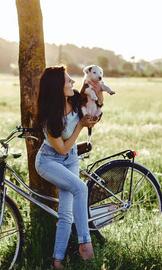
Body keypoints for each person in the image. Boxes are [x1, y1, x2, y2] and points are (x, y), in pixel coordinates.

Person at [35, 65, 104, 269]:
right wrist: (81, 125)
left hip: (71, 159)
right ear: (57, 87)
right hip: (50, 161)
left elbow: (93, 107)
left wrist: (94, 116)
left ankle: (57, 260)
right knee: (80, 188)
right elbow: (63, 148)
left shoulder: (74, 98)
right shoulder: (49, 118)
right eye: (68, 80)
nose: (73, 82)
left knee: (65, 213)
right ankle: (85, 241)